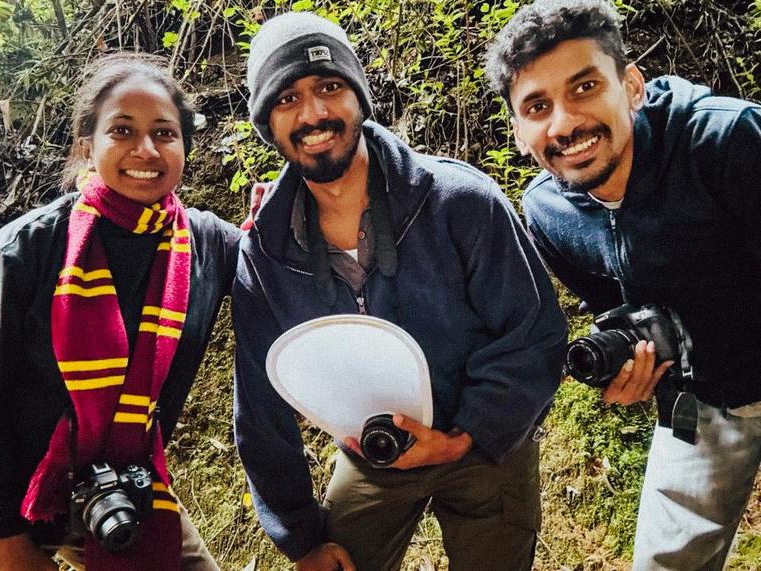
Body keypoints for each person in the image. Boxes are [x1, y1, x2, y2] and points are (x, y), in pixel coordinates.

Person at [232, 12, 568, 571]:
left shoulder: (459, 201)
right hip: (372, 456)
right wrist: (299, 536)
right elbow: (261, 407)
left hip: (486, 441)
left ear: (359, 96)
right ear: (267, 123)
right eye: (287, 98)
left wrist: (465, 437)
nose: (314, 113)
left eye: (329, 87)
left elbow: (532, 332)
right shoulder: (266, 253)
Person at [0, 53, 238, 571]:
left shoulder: (206, 247)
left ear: (184, 147)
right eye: (122, 130)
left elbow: (287, 261)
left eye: (164, 133)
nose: (145, 149)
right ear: (89, 145)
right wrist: (8, 539)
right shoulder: (24, 250)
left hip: (111, 483)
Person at [484, 1, 761, 569]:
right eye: (537, 106)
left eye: (584, 86)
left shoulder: (726, 141)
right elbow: (614, 307)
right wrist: (634, 362)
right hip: (703, 399)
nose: (563, 123)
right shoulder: (545, 212)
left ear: (631, 85)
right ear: (519, 130)